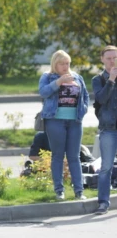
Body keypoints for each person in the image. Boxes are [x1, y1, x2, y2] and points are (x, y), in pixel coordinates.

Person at [39, 50, 89, 201]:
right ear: (55, 64)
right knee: (58, 156)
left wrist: (83, 110)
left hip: (74, 121)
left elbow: (85, 96)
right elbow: (43, 92)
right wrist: (58, 82)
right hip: (55, 120)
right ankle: (59, 190)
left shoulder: (77, 77)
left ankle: (79, 191)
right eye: (62, 63)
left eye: (67, 63)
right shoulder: (48, 77)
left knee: (74, 156)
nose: (65, 66)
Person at [91, 45, 117, 215]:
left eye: (115, 57)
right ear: (102, 59)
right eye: (108, 58)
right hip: (108, 129)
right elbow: (101, 98)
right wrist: (111, 81)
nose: (112, 60)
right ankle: (103, 203)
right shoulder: (98, 79)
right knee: (106, 167)